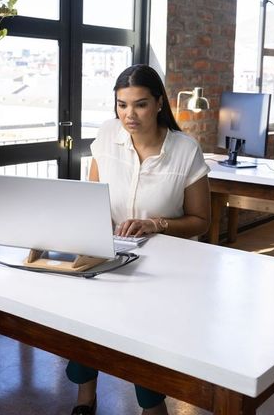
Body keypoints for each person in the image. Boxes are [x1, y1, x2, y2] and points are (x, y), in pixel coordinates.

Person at [66, 64, 211, 415]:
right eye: (122, 104)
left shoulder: (184, 150)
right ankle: (86, 396)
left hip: (163, 263)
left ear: (159, 103)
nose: (129, 114)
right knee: (86, 318)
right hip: (108, 251)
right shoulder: (106, 135)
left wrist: (156, 224)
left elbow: (201, 222)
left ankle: (151, 404)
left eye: (140, 104)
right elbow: (93, 196)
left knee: (142, 334)